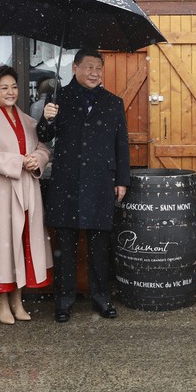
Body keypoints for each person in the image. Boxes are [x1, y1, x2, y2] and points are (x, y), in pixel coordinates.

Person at [37, 48, 130, 323]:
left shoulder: (113, 102)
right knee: (64, 247)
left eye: (98, 68)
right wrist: (47, 117)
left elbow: (120, 145)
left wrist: (122, 180)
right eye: (88, 67)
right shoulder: (58, 99)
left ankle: (101, 299)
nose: (94, 73)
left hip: (102, 182)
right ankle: (63, 302)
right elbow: (43, 135)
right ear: (75, 68)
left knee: (99, 246)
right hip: (67, 182)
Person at [0, 66, 53, 324]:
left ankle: (18, 301)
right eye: (4, 88)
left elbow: (43, 148)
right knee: (2, 246)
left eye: (14, 87)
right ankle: (1, 303)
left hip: (27, 189)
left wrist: (36, 160)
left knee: (21, 244)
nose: (10, 92)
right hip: (0, 193)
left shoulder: (30, 121)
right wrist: (20, 161)